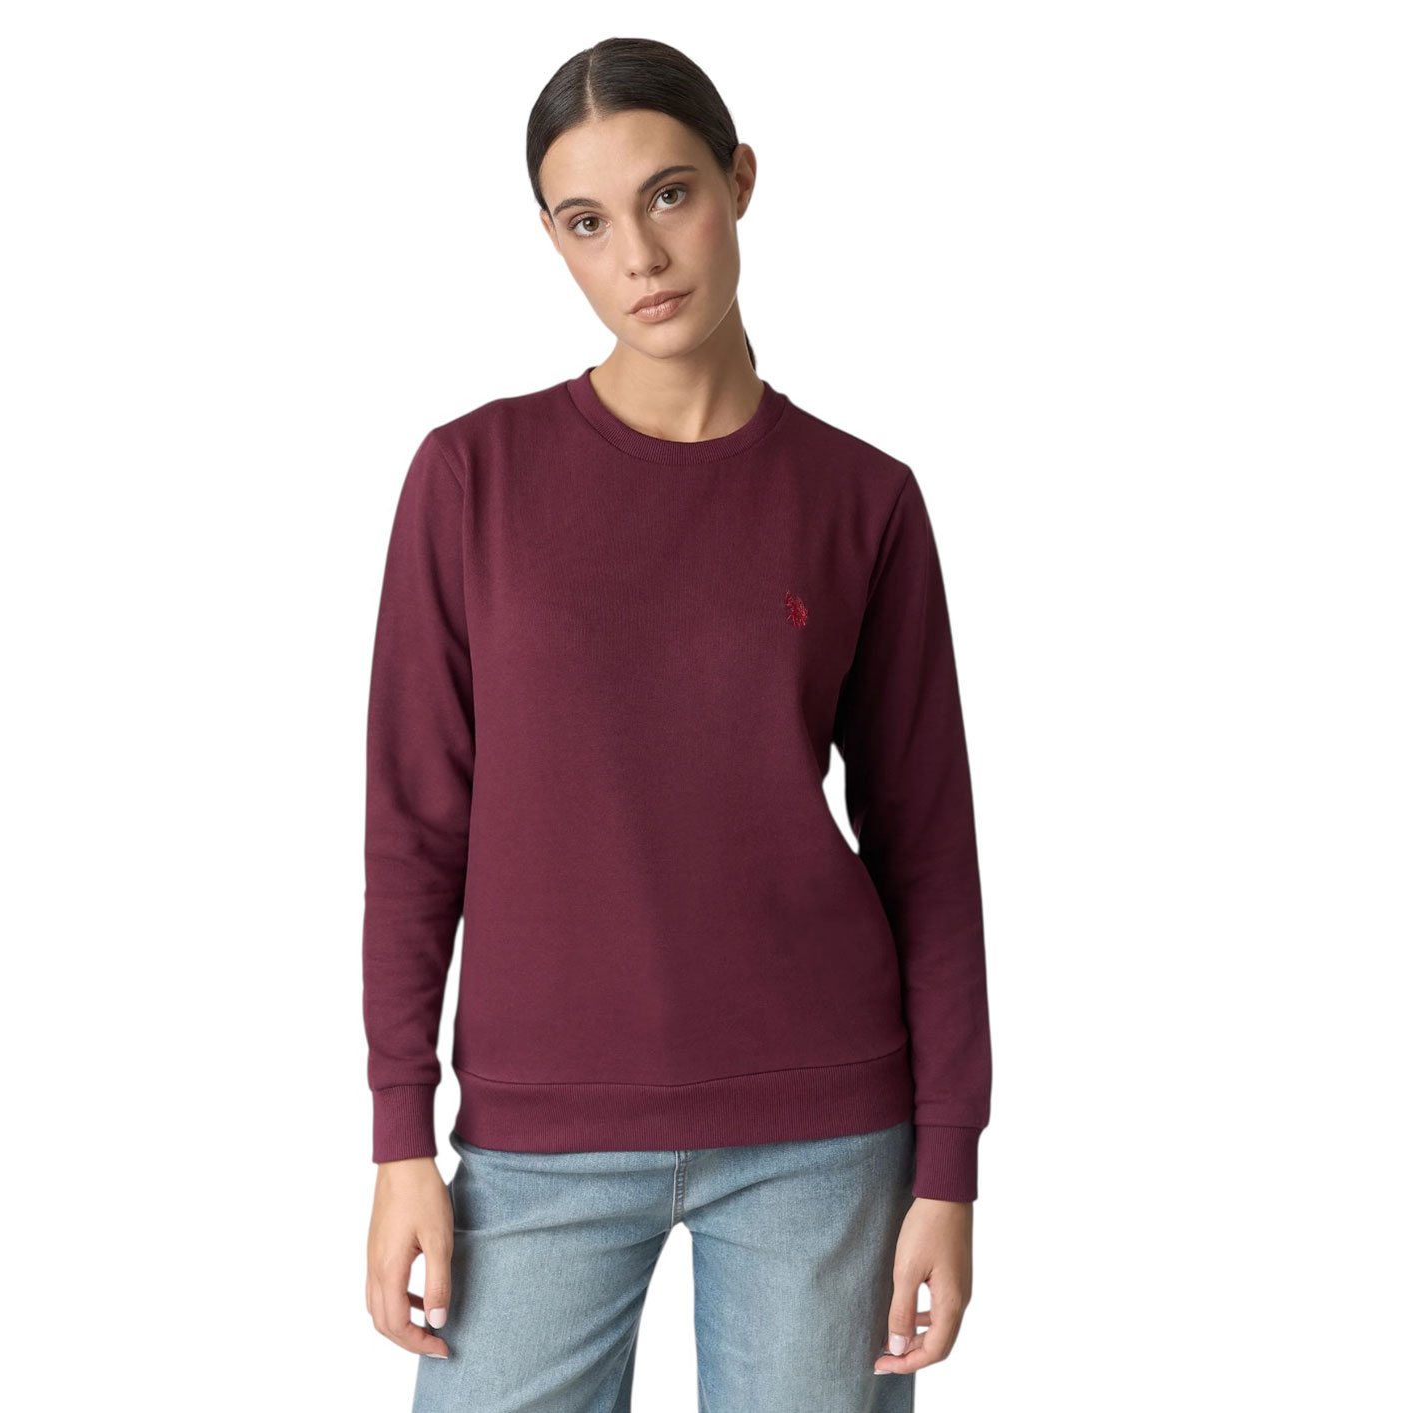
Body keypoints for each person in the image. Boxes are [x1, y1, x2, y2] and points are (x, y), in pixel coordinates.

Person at [361, 36, 992, 1413]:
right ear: (553, 241)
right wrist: (399, 1134)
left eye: (669, 195)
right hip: (541, 1132)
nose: (640, 255)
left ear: (738, 181)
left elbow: (930, 851)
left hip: (826, 1126)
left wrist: (949, 1166)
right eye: (586, 222)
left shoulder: (863, 500)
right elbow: (414, 826)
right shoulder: (471, 480)